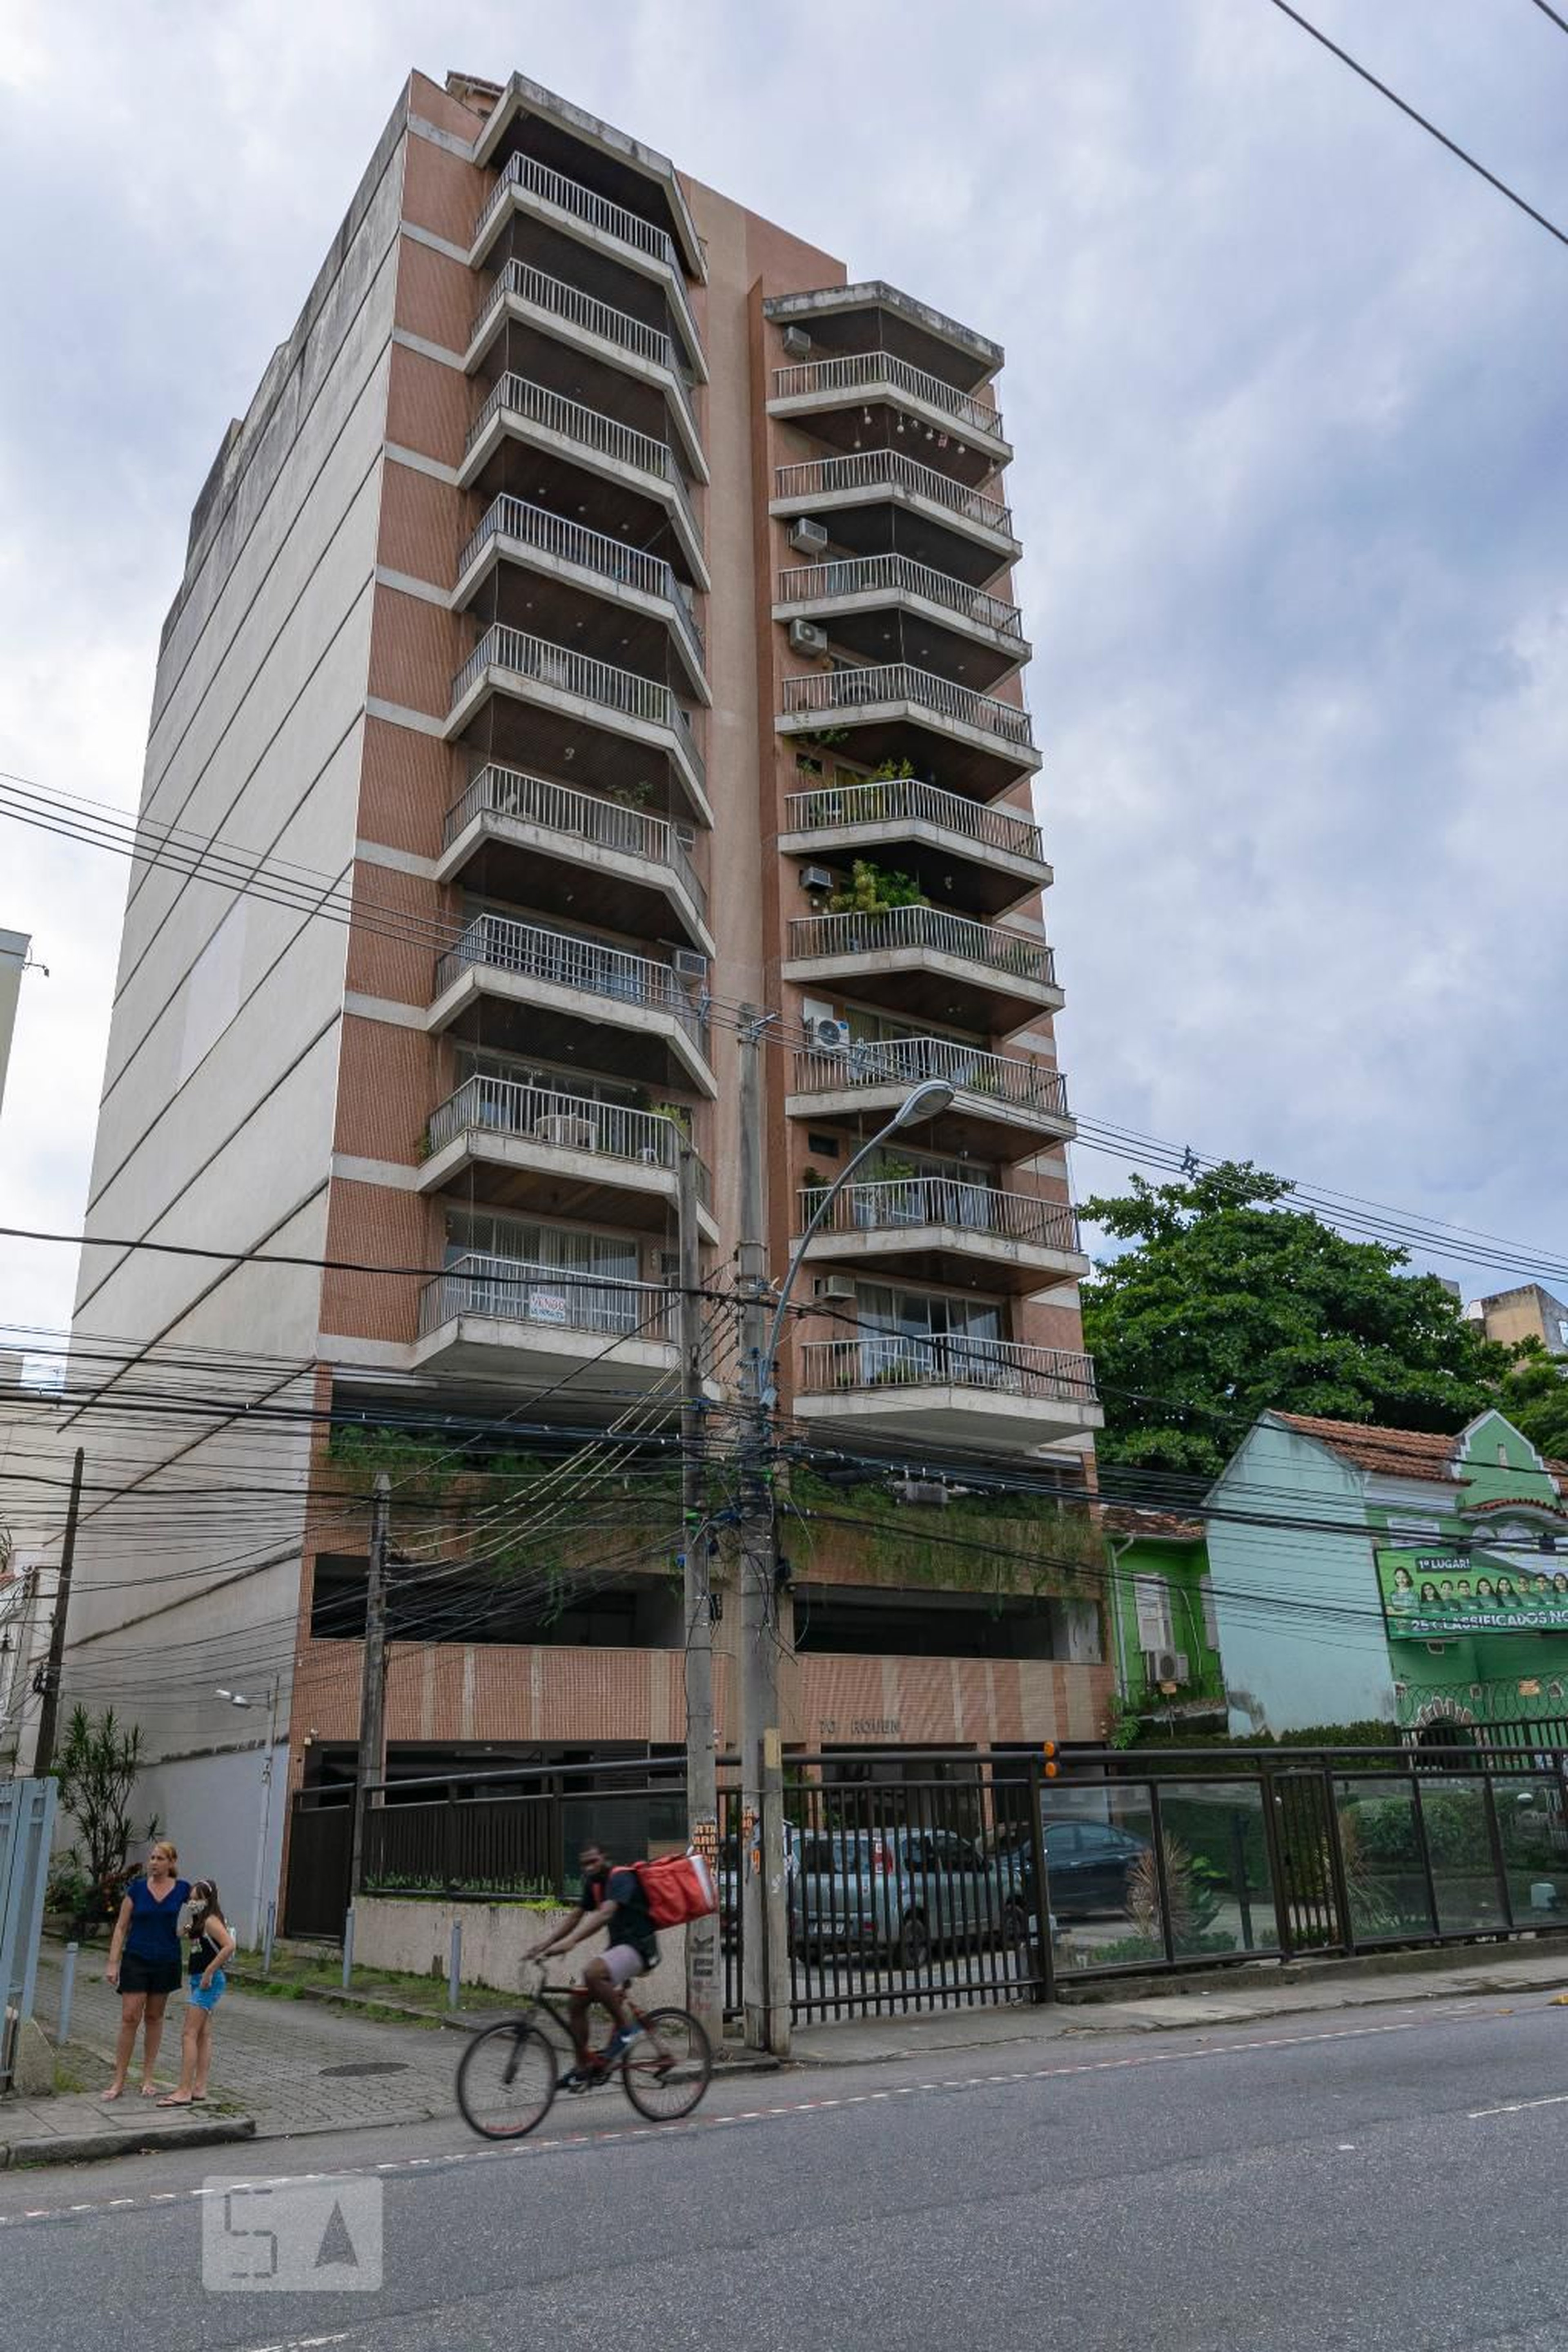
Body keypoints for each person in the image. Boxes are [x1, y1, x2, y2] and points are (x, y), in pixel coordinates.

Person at [525, 1842, 660, 2087]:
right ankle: (583, 2068)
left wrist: (573, 1942)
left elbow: (606, 1914)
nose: (589, 1868)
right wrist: (546, 1944)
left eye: (593, 1861)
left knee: (592, 1973)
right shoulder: (594, 1884)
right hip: (620, 1950)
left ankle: (626, 2029)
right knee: (576, 2002)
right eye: (585, 1864)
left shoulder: (621, 1878)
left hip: (640, 1950)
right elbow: (577, 1915)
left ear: (605, 1859)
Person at [102, 1839, 190, 2099]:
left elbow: (202, 1910)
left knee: (154, 2018)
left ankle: (148, 2078)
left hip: (166, 1959)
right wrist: (113, 1962)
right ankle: (119, 2081)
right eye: (152, 1858)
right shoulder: (137, 1890)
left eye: (160, 1859)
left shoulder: (183, 1889)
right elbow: (121, 1927)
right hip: (137, 1958)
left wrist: (187, 1930)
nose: (154, 1863)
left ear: (172, 1863)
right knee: (130, 2017)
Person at [157, 1879, 236, 2107]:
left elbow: (229, 1946)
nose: (192, 1903)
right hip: (198, 1979)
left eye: (197, 1899)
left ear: (208, 1900)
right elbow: (185, 1935)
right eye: (190, 1899)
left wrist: (209, 1972)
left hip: (207, 1982)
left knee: (189, 2034)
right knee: (203, 2035)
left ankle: (184, 2090)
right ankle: (200, 2087)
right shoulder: (199, 1922)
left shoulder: (211, 1921)